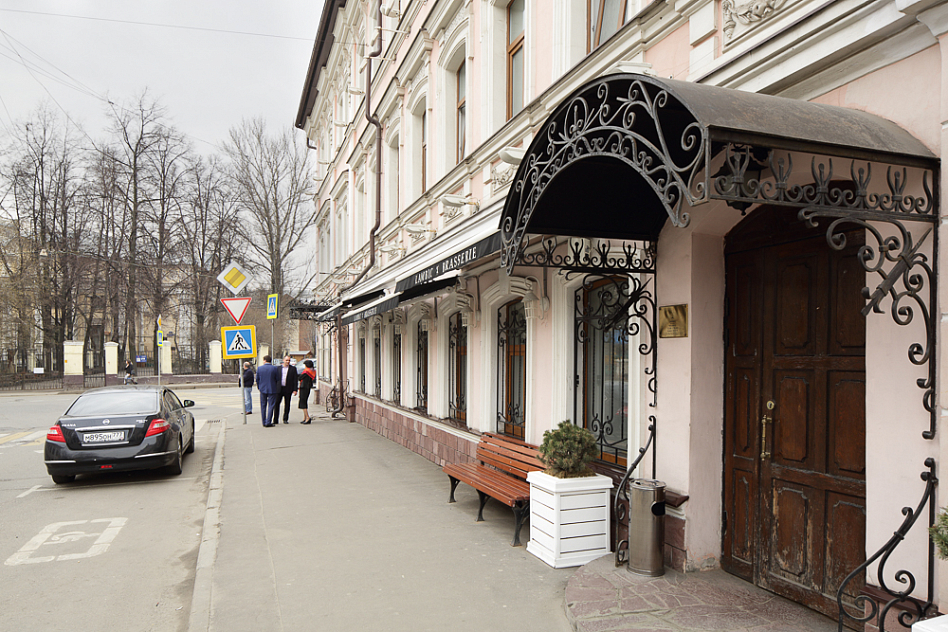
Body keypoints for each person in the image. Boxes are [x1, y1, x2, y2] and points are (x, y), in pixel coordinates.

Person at [256, 355, 281, 427]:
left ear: (264, 360)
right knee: (271, 405)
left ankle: (263, 422)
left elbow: (257, 379)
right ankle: (268, 422)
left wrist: (259, 387)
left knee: (263, 405)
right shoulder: (274, 368)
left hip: (262, 389)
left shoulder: (259, 368)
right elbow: (277, 378)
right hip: (272, 389)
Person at [272, 355, 298, 424]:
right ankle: (275, 419)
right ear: (283, 360)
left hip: (288, 389)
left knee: (287, 404)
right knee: (276, 404)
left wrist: (295, 390)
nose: (288, 362)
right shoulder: (278, 368)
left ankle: (285, 419)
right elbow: (274, 379)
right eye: (286, 360)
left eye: (289, 360)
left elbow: (295, 380)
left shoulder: (293, 369)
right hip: (279, 389)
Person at [298, 360, 316, 424]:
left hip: (304, 388)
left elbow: (300, 378)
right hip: (308, 388)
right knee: (304, 402)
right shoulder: (312, 371)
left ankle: (307, 417)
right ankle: (305, 417)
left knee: (303, 403)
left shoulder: (306, 372)